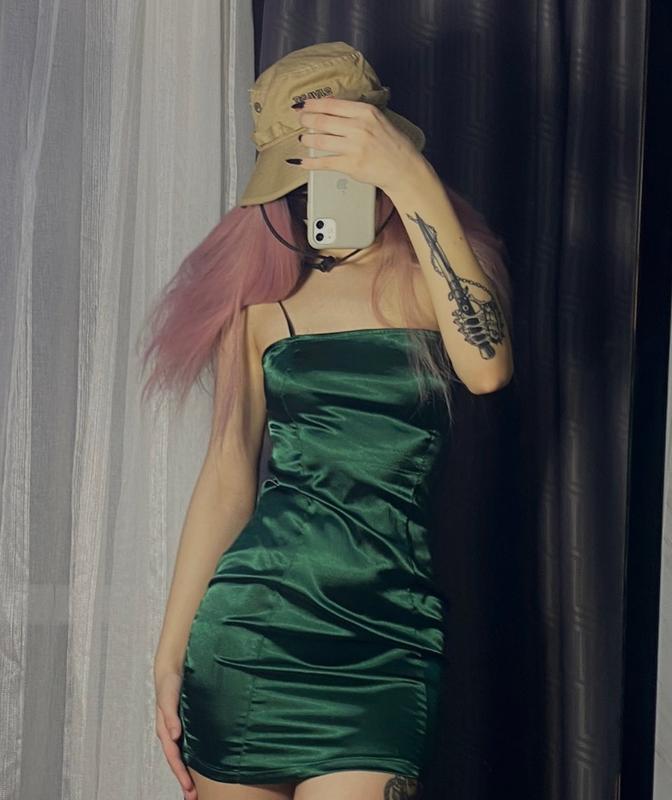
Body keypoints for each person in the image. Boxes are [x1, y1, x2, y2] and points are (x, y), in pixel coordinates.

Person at [140, 41, 514, 800]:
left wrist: (410, 177)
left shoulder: (437, 279)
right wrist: (169, 652)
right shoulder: (263, 302)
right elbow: (227, 475)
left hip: (387, 641)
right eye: (305, 176)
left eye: (347, 164)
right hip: (248, 635)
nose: (326, 192)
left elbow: (487, 369)